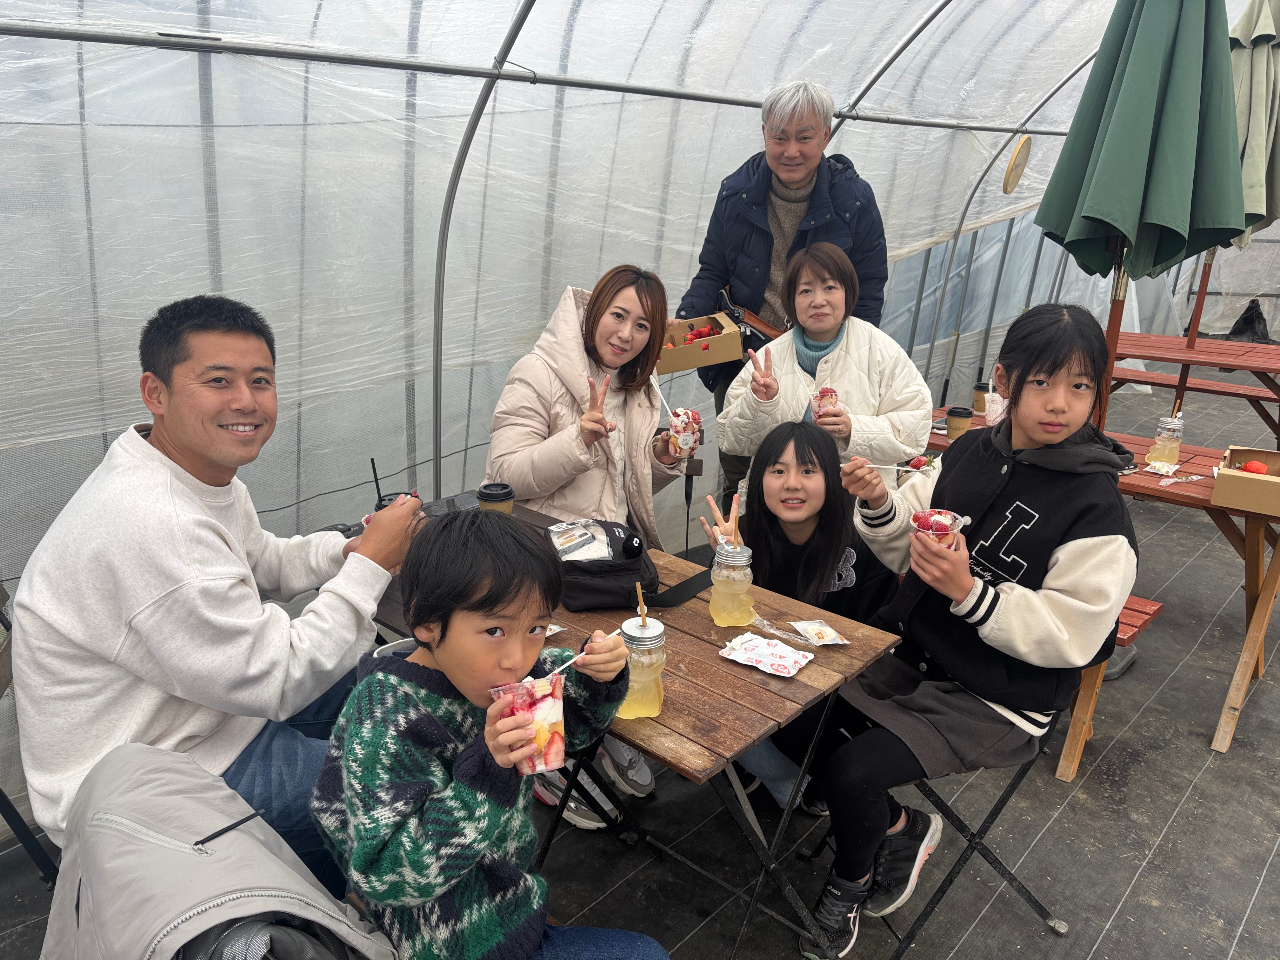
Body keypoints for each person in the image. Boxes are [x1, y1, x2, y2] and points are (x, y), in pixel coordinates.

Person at [10, 295, 420, 897]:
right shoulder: (151, 523)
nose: (246, 401)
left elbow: (261, 560)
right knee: (396, 780)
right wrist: (373, 566)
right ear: (155, 393)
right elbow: (279, 677)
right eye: (218, 380)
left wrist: (348, 551)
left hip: (204, 713)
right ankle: (371, 911)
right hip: (144, 782)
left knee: (402, 687)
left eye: (261, 381)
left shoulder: (190, 474)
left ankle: (340, 876)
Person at [787, 304, 1139, 959]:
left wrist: (969, 593)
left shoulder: (1097, 508)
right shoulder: (973, 453)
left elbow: (1075, 634)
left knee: (854, 770)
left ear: (1099, 392)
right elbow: (907, 542)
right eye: (1042, 381)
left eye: (1080, 386)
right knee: (794, 711)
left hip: (1000, 698)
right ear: (1004, 380)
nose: (1059, 403)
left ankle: (848, 886)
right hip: (918, 658)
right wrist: (878, 501)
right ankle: (901, 827)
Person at [311, 510, 669, 960]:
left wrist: (599, 677)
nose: (517, 658)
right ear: (426, 622)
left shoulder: (512, 676)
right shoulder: (386, 717)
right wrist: (488, 769)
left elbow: (573, 733)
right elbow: (388, 878)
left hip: (504, 891)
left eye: (536, 628)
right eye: (494, 630)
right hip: (449, 938)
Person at [486, 265, 689, 808]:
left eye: (642, 326)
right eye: (618, 316)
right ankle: (550, 765)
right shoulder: (538, 372)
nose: (626, 334)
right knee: (555, 659)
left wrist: (662, 458)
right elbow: (503, 476)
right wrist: (577, 440)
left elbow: (622, 483)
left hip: (605, 562)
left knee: (615, 655)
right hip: (543, 563)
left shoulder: (637, 387)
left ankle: (600, 731)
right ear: (594, 310)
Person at [675, 79, 889, 511]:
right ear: (764, 133)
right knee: (743, 474)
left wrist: (852, 361)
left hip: (820, 363)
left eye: (804, 138)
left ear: (825, 136)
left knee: (816, 474)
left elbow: (867, 290)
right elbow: (713, 270)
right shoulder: (736, 192)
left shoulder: (853, 201)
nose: (791, 151)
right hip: (747, 361)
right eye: (780, 137)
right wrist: (682, 327)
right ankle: (738, 547)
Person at [699, 421, 899, 812]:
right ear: (760, 480)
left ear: (833, 479)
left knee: (792, 720)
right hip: (761, 673)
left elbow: (880, 643)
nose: (792, 484)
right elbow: (722, 621)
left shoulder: (863, 541)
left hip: (839, 689)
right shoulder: (745, 536)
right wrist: (729, 562)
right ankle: (781, 775)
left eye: (808, 470)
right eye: (778, 470)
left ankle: (829, 789)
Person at [716, 242, 931, 495]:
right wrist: (760, 404)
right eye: (805, 291)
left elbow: (915, 429)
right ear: (791, 300)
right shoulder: (768, 359)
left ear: (847, 292)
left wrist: (853, 429)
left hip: (857, 502)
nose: (818, 301)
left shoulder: (880, 350)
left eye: (829, 288)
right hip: (782, 502)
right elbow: (731, 440)